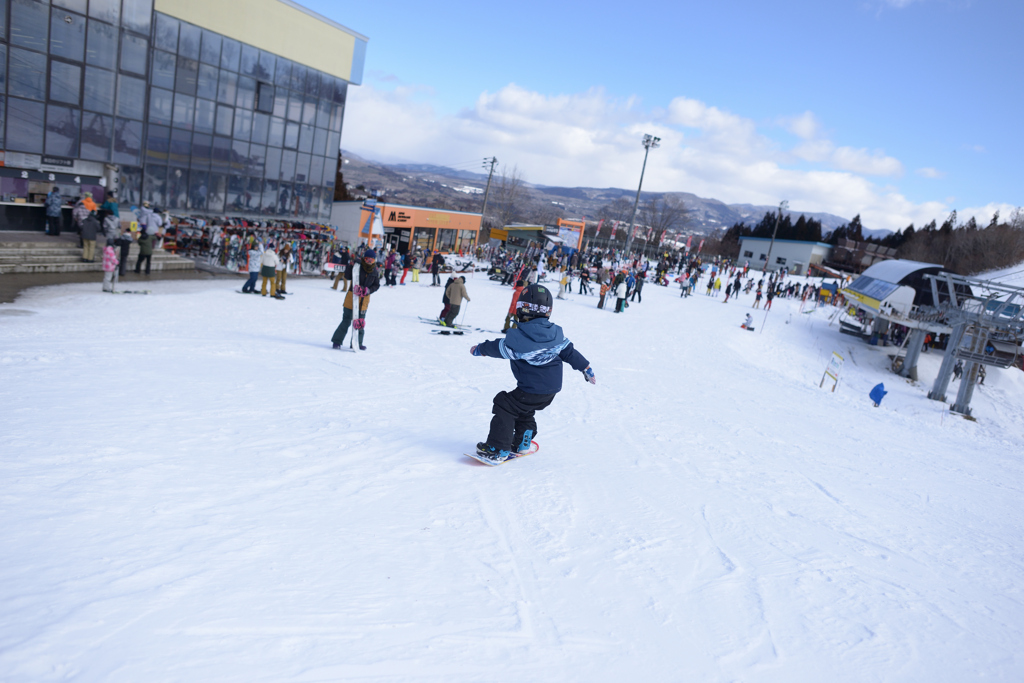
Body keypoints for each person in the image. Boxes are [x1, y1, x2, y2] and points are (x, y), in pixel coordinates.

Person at [469, 284, 595, 464]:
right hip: (551, 391)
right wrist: (586, 367)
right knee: (524, 409)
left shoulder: (517, 340)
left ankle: (498, 448)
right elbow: (570, 352)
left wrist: (480, 349)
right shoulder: (556, 336)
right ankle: (522, 442)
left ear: (521, 310)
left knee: (505, 404)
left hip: (531, 389)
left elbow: (497, 347)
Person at [332, 249, 381, 350]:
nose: (369, 261)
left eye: (371, 259)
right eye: (367, 259)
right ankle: (337, 341)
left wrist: (368, 290)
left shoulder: (374, 270)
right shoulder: (357, 266)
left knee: (360, 322)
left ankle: (357, 342)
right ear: (364, 258)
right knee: (346, 321)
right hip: (351, 298)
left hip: (364, 301)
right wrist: (350, 266)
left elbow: (376, 285)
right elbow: (348, 276)